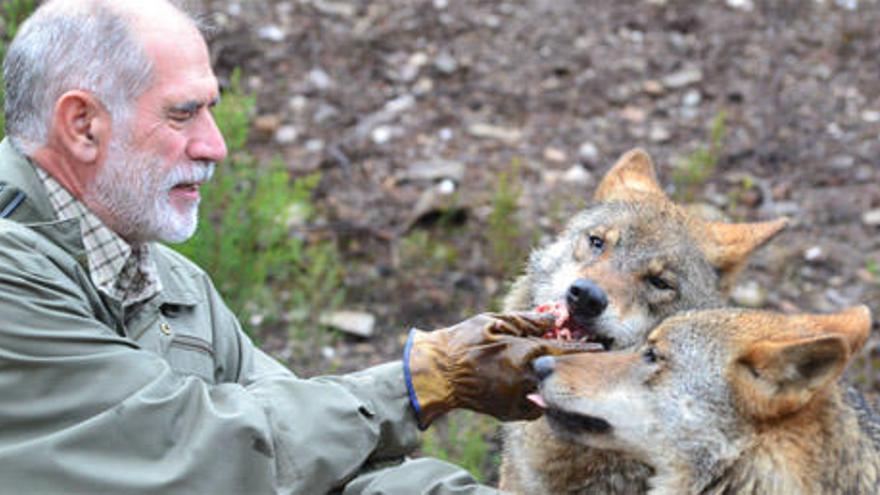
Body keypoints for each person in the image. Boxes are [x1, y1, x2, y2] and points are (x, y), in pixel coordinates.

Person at [0, 1, 594, 493]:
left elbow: (314, 465)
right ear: (82, 126)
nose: (215, 146)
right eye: (183, 115)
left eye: (212, 111)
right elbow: (190, 455)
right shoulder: (10, 270)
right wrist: (423, 380)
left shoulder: (176, 288)